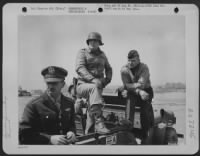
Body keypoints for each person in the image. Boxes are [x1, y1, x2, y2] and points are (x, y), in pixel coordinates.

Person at [19, 66, 76, 145]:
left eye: (55, 83)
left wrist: (71, 132)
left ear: (63, 84)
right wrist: (49, 139)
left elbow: (71, 124)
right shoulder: (33, 105)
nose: (51, 86)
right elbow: (24, 134)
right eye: (48, 83)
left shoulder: (69, 103)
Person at [75, 32, 113, 134]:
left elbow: (109, 69)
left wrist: (106, 80)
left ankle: (89, 134)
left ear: (99, 43)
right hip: (83, 86)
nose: (93, 42)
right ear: (88, 42)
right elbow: (80, 68)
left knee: (92, 113)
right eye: (91, 41)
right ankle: (100, 123)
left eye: (95, 41)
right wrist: (93, 79)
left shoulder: (102, 55)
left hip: (97, 87)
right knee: (94, 89)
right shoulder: (82, 53)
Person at [120, 50, 154, 141]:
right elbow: (128, 86)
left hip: (146, 91)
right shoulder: (124, 70)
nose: (131, 63)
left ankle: (145, 134)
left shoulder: (144, 67)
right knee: (129, 102)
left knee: (144, 110)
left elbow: (141, 85)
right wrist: (138, 91)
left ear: (139, 60)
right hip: (134, 93)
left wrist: (128, 86)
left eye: (133, 60)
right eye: (129, 60)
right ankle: (128, 130)